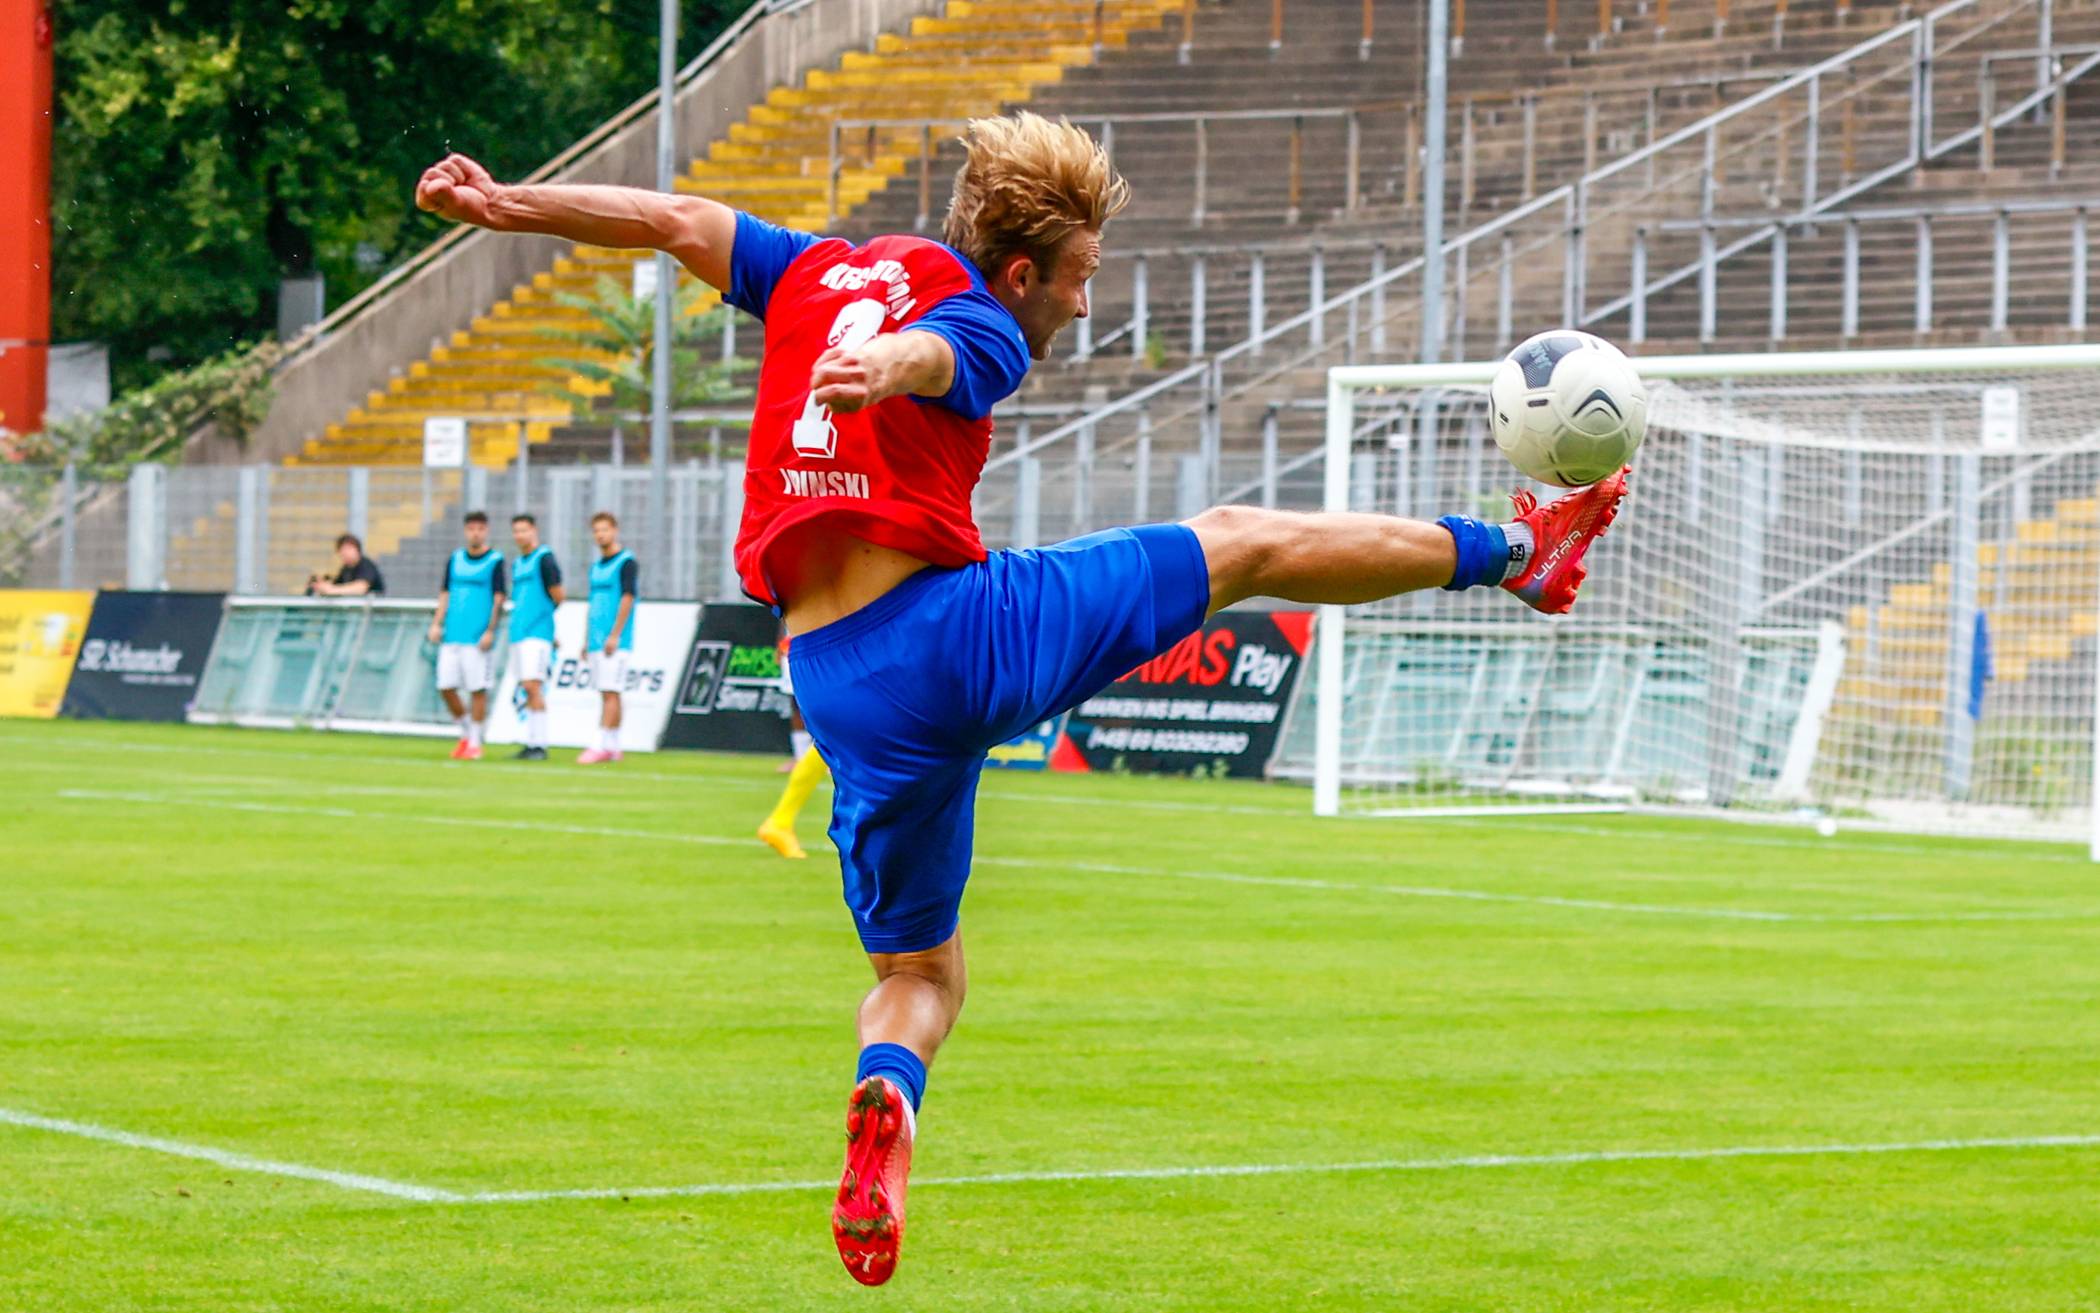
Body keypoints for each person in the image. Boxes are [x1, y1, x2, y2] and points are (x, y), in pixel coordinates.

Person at [417, 112, 1628, 1286]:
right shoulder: (984, 320)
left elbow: (673, 217)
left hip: (836, 687)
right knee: (1241, 543)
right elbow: (940, 356)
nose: (1084, 303)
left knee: (918, 973)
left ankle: (889, 1090)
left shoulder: (810, 269)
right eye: (1081, 276)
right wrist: (888, 367)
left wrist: (507, 204)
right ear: (1018, 271)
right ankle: (1524, 552)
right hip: (953, 637)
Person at [427, 510, 507, 761]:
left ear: (486, 531)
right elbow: (445, 593)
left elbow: (499, 598)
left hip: (476, 638)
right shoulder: (455, 559)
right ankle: (466, 732)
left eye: (480, 529)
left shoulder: (495, 560)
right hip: (452, 635)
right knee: (445, 686)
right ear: (465, 531)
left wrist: (490, 630)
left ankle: (474, 742)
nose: (475, 533)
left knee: (477, 689)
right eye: (471, 529)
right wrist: (437, 623)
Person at [758, 633, 829, 859]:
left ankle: (780, 821)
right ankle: (780, 821)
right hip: (823, 649)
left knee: (841, 736)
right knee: (838, 734)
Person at [577, 510, 637, 765]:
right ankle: (613, 746)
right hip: (596, 639)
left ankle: (598, 743)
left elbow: (628, 598)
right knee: (608, 692)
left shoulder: (626, 562)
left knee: (611, 691)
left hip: (615, 641)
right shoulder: (596, 567)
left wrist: (615, 634)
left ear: (615, 531)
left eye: (605, 529)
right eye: (596, 531)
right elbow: (593, 604)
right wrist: (586, 639)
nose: (600, 535)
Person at [507, 513, 564, 761]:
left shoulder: (545, 558)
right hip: (518, 634)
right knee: (526, 687)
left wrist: (545, 624)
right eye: (516, 531)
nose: (520, 535)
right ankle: (531, 742)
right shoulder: (518, 563)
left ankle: (540, 743)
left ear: (534, 531)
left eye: (524, 530)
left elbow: (558, 596)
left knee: (533, 685)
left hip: (538, 633)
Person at [307, 534, 385, 596]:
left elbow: (360, 588)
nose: (345, 553)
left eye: (348, 548)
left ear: (357, 549)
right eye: (342, 550)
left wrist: (332, 590)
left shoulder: (366, 564)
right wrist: (322, 585)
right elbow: (338, 584)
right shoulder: (346, 569)